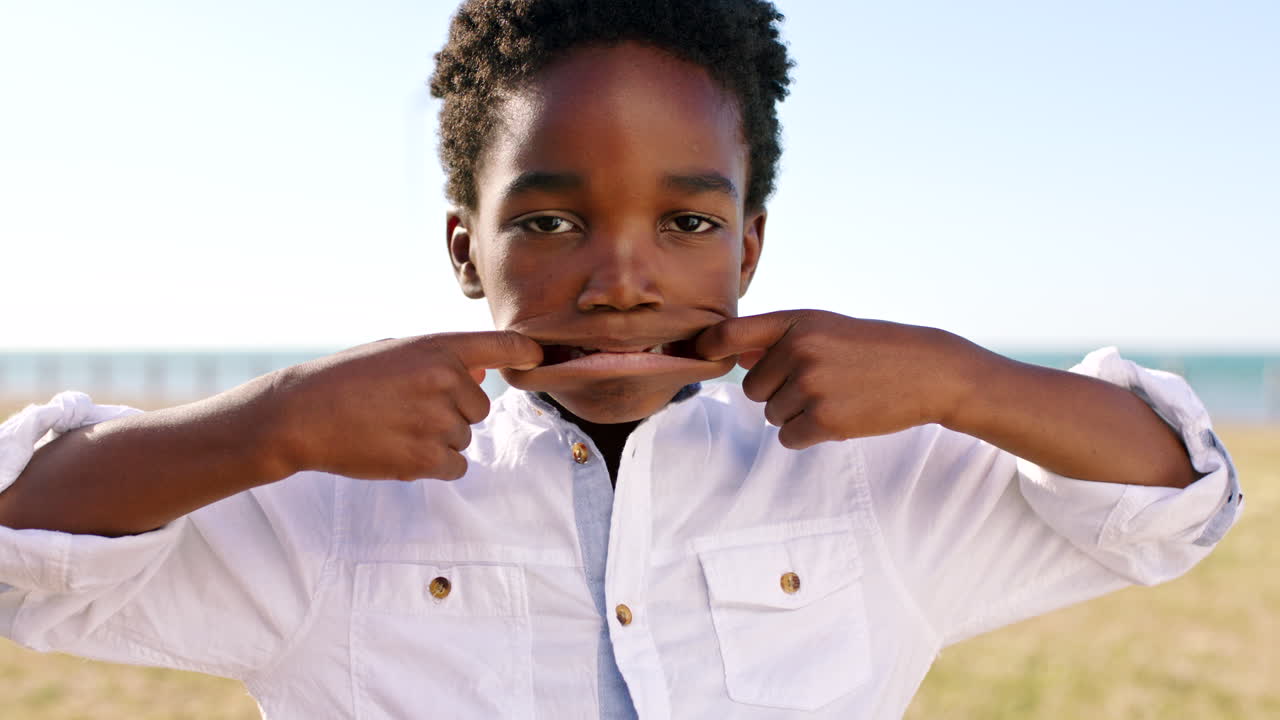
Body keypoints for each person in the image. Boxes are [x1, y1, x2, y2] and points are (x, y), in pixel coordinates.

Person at [0, 1, 1242, 718]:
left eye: (687, 223)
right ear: (462, 248)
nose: (619, 279)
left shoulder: (867, 482)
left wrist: (964, 381)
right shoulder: (324, 496)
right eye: (547, 221)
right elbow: (19, 550)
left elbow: (1168, 504)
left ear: (748, 250)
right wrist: (269, 427)